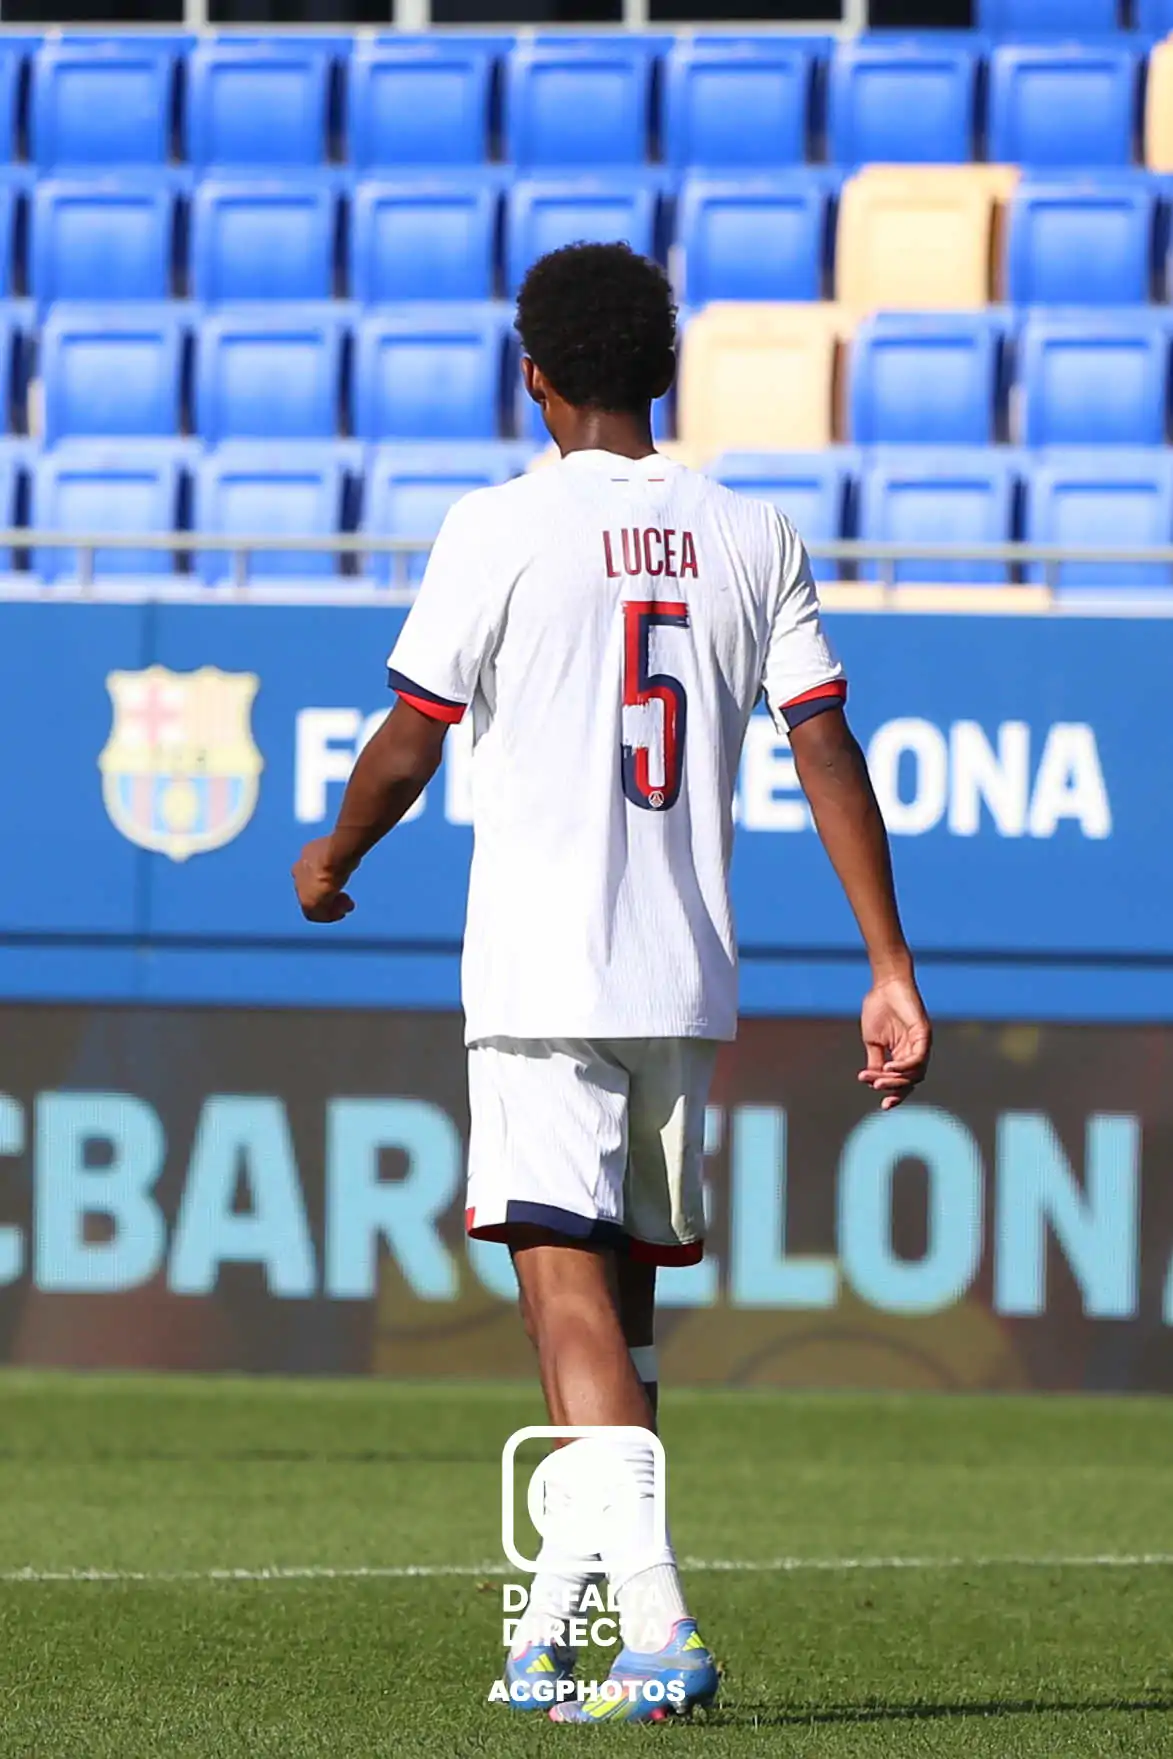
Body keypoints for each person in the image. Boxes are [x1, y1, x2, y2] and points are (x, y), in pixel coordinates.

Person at [293, 242, 932, 1724]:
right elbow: (826, 742)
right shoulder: (753, 530)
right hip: (682, 976)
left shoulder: (500, 526)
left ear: (534, 376)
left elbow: (411, 735)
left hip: (543, 970)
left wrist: (332, 853)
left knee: (557, 1284)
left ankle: (655, 1623)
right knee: (609, 1309)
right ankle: (565, 1621)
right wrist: (888, 964)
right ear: (663, 370)